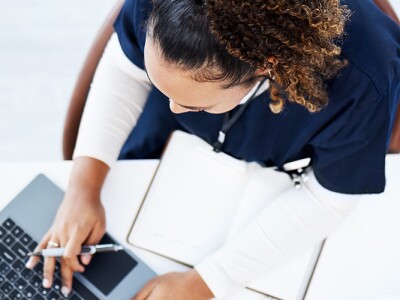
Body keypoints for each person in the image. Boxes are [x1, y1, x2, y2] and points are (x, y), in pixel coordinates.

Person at [26, 0, 400, 299]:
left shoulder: (366, 77)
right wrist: (83, 188)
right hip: (159, 156)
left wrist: (206, 282)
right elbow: (127, 71)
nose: (173, 105)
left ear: (264, 65)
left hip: (269, 186)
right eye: (162, 84)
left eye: (195, 104)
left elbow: (328, 199)